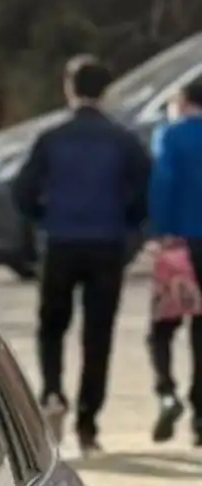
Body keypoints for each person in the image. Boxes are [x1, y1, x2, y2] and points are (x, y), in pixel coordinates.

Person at [14, 55, 150, 455]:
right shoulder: (124, 140)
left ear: (69, 89)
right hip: (106, 244)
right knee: (98, 334)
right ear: (105, 92)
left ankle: (53, 392)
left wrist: (42, 217)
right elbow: (143, 193)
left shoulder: (51, 137)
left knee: (52, 324)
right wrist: (128, 227)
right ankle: (89, 423)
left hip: (60, 241)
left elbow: (22, 189)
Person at [147, 76, 202, 444]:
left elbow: (163, 183)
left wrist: (159, 230)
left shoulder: (170, 135)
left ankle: (167, 391)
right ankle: (201, 416)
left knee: (163, 327)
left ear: (182, 101)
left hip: (179, 243)